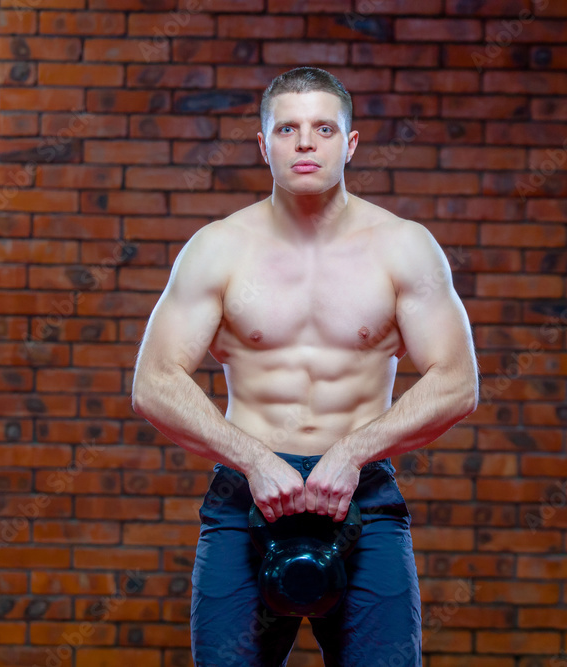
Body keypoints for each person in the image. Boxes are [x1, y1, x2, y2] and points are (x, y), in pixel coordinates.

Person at [131, 66, 479, 667]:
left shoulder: (402, 246)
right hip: (247, 497)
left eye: (323, 128)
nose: (305, 143)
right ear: (264, 145)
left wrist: (350, 454)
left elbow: (457, 381)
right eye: (287, 129)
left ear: (350, 143)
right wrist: (255, 461)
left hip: (363, 498)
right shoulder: (219, 247)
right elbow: (154, 382)